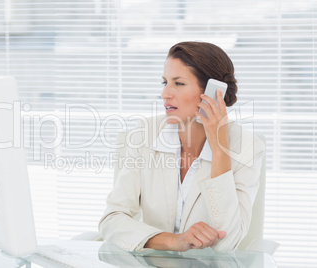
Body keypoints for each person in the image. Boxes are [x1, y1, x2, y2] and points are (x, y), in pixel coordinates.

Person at [98, 41, 265, 253]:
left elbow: (227, 242)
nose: (165, 94)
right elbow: (111, 219)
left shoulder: (248, 146)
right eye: (165, 82)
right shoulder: (145, 134)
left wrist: (219, 146)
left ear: (214, 93)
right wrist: (173, 240)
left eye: (178, 83)